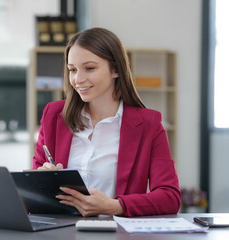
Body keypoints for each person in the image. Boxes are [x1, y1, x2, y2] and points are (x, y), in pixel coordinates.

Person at [32, 27, 181, 217]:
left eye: (90, 68)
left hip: (117, 233)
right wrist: (42, 178)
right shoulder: (53, 115)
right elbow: (34, 182)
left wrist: (114, 206)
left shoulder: (149, 125)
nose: (78, 79)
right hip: (61, 232)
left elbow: (170, 197)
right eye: (72, 70)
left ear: (116, 69)